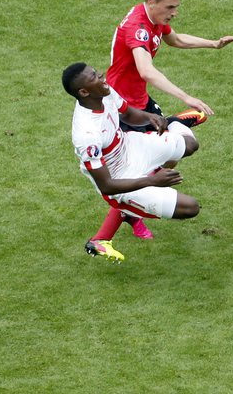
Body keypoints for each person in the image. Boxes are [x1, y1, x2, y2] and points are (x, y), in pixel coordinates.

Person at [64, 62, 202, 262]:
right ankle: (125, 212)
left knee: (190, 145)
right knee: (190, 208)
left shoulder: (103, 91)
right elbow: (107, 185)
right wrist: (152, 181)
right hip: (119, 179)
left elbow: (128, 114)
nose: (101, 76)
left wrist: (150, 117)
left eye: (96, 72)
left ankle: (174, 123)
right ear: (84, 92)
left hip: (129, 146)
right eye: (94, 77)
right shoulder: (87, 134)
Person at [107, 0, 233, 131]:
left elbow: (175, 40)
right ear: (152, 3)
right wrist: (186, 97)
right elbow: (146, 71)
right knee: (154, 150)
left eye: (175, 7)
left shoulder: (154, 17)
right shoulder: (137, 29)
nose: (174, 13)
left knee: (170, 144)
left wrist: (214, 44)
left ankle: (171, 124)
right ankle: (174, 123)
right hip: (123, 108)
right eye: (170, 7)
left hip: (140, 99)